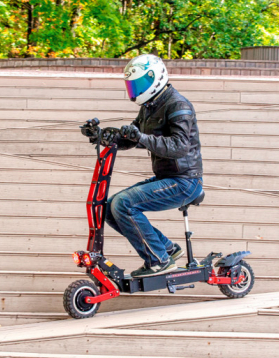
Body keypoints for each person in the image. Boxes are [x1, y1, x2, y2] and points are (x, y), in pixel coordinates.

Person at [82, 54, 203, 277]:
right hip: (167, 179)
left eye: (139, 84)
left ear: (154, 78)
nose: (135, 90)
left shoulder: (179, 105)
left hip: (185, 181)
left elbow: (180, 146)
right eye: (132, 85)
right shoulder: (149, 106)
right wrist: (101, 136)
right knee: (108, 208)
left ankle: (158, 261)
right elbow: (130, 138)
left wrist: (141, 138)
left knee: (123, 204)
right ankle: (166, 249)